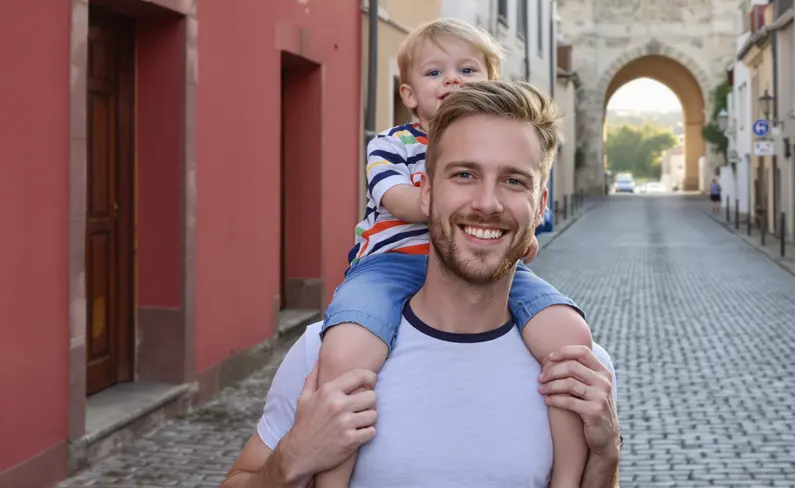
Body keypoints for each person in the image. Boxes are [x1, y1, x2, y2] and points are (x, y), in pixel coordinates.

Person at [221, 81, 622, 487]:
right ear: (426, 193)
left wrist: (607, 457)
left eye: (514, 181)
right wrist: (291, 459)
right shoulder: (326, 354)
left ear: (540, 207)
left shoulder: (577, 369)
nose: (487, 203)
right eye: (464, 174)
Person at [315, 20, 593, 488]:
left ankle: (567, 479)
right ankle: (331, 478)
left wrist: (500, 226)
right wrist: (472, 216)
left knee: (569, 336)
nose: (451, 80)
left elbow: (520, 236)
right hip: (387, 267)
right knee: (345, 351)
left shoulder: (502, 144)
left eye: (467, 69)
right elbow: (399, 199)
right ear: (408, 94)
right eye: (435, 72)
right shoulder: (392, 144)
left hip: (474, 261)